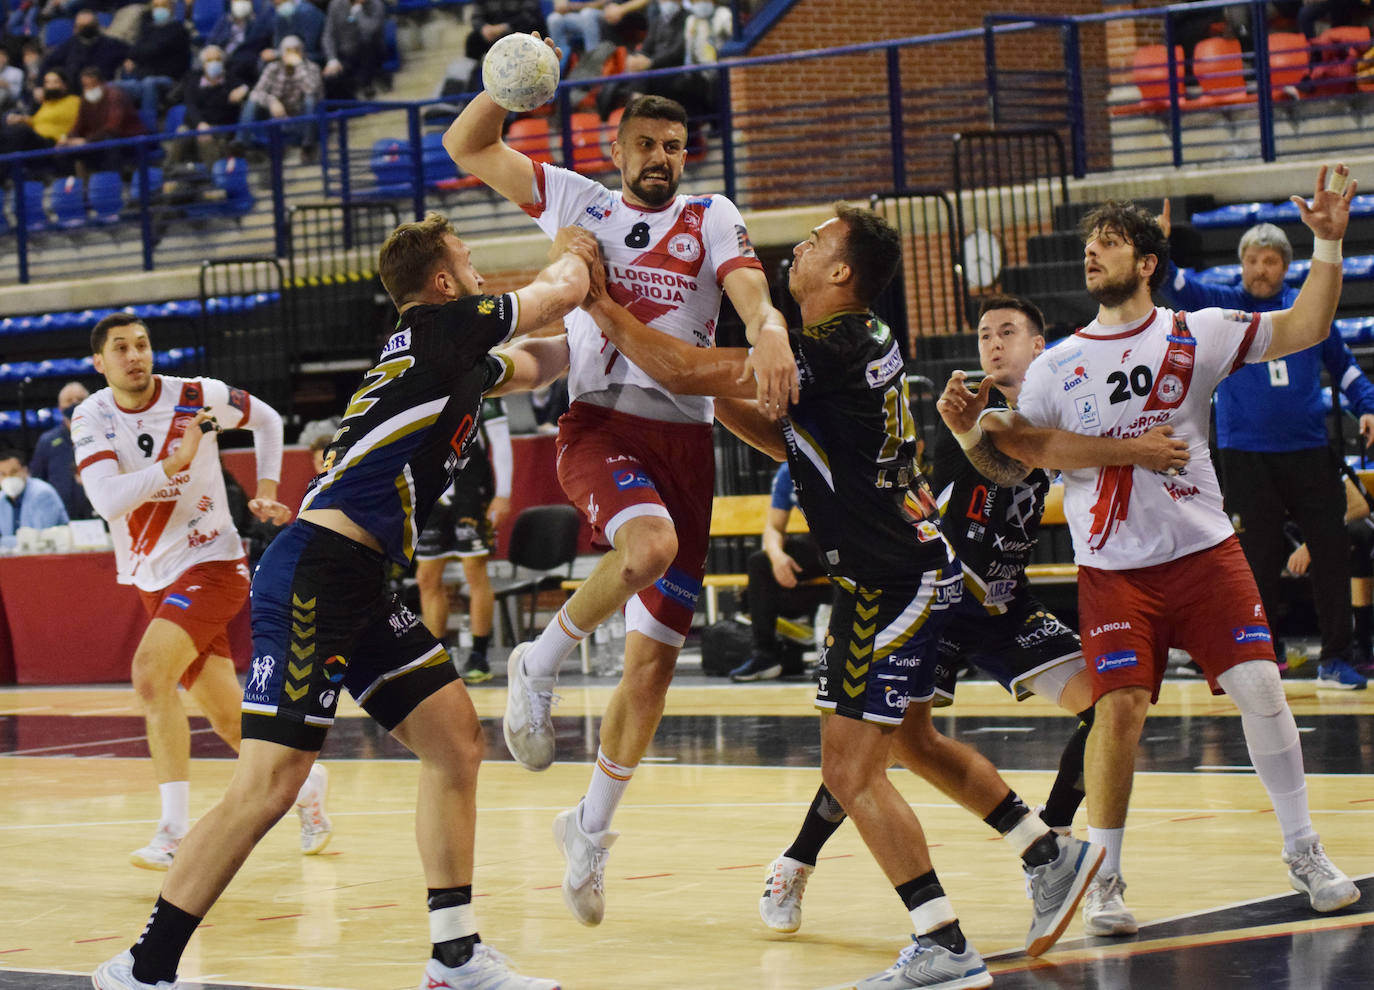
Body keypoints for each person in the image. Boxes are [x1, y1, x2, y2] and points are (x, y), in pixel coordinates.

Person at [577, 205, 1198, 984]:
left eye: (812, 244)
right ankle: (1049, 853)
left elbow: (678, 370)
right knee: (909, 741)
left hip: (886, 581)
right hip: (906, 566)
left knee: (849, 770)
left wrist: (603, 305)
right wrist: (700, 386)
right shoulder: (857, 342)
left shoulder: (831, 346)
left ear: (841, 272)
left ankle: (941, 939)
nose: (796, 251)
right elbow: (787, 437)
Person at [91, 213, 600, 990]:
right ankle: (143, 965)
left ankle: (454, 958)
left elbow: (539, 362)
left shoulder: (452, 355)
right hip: (315, 571)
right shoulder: (442, 329)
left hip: (360, 580)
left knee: (455, 740)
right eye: (468, 262)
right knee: (269, 785)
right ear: (440, 283)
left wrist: (618, 340)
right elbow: (554, 293)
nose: (478, 274)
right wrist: (589, 249)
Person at [937, 164, 1363, 937]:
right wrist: (972, 431)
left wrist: (1327, 245)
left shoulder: (1194, 330)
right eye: (1090, 243)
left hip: (1205, 555)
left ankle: (1305, 849)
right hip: (1114, 572)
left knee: (1264, 692)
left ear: (1147, 263)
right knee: (1118, 717)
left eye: (1109, 242)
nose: (1092, 254)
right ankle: (1105, 876)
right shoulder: (1057, 363)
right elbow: (1012, 462)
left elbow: (1304, 327)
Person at [446, 81, 797, 927]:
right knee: (648, 549)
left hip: (686, 445)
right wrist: (506, 88)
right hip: (601, 426)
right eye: (647, 144)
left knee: (652, 674)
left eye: (675, 146)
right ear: (618, 146)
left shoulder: (712, 214)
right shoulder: (577, 199)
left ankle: (589, 831)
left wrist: (771, 326)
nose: (662, 160)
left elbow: (747, 287)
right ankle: (538, 661)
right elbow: (468, 149)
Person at [756, 293, 1134, 939]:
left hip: (1007, 605)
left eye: (1007, 331)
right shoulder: (975, 416)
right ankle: (798, 859)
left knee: (1107, 709)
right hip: (946, 599)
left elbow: (1049, 454)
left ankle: (1054, 838)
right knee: (882, 745)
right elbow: (1007, 462)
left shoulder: (1056, 411)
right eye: (984, 333)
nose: (992, 343)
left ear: (1039, 346)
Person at [68, 313, 326, 872]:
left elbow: (270, 420)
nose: (135, 355)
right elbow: (107, 500)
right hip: (150, 576)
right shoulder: (90, 415)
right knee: (231, 722)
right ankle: (308, 788)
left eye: (142, 344)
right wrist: (174, 464)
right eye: (120, 348)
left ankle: (172, 831)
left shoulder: (197, 396)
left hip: (213, 562)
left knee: (148, 675)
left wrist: (265, 489)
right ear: (100, 362)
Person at [1158, 206, 1373, 690]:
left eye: (1270, 260)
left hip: (1310, 451)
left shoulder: (1306, 308)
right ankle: (1264, 654)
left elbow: (1346, 369)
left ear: (1285, 265)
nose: (1261, 269)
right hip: (1245, 455)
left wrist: (1367, 405)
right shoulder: (1225, 302)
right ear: (1241, 265)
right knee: (1255, 559)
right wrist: (1163, 248)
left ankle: (1335, 658)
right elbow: (1178, 288)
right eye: (1253, 260)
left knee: (1332, 551)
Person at [413, 395, 513, 684]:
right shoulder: (426, 383)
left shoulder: (483, 388)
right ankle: (439, 656)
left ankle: (479, 654)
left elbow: (502, 444)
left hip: (471, 487)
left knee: (474, 570)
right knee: (427, 577)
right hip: (431, 487)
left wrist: (503, 494)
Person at [726, 460, 827, 682]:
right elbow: (773, 528)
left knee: (842, 556)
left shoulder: (839, 459)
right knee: (759, 563)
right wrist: (777, 555)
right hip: (822, 544)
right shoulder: (789, 471)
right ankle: (766, 654)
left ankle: (836, 657)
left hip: (857, 546)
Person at [236, 34, 322, 155]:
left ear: (302, 52)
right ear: (282, 52)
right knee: (252, 102)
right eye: (288, 51)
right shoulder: (272, 68)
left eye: (296, 50)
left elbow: (311, 90)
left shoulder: (312, 68)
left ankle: (308, 145)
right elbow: (256, 92)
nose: (292, 54)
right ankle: (241, 143)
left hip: (299, 116)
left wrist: (299, 66)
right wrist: (272, 101)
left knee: (310, 100)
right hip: (275, 114)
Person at [60, 66, 147, 177]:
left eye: (93, 85)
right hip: (97, 140)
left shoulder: (115, 96)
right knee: (63, 152)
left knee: (109, 142)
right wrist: (67, 139)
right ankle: (73, 188)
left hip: (127, 139)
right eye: (86, 86)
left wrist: (86, 140)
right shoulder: (85, 99)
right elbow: (79, 126)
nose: (89, 89)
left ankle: (115, 183)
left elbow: (113, 128)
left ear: (102, 83)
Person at [27, 379, 94, 520]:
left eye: (80, 399)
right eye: (69, 400)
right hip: (60, 516)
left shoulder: (102, 433)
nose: (75, 403)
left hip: (97, 511)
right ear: (60, 407)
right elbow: (37, 480)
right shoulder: (47, 440)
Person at [118, 0, 193, 122]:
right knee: (112, 88)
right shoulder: (149, 29)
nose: (159, 9)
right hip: (143, 78)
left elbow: (154, 49)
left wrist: (136, 56)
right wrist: (132, 57)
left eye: (163, 6)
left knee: (149, 83)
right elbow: (135, 49)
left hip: (170, 80)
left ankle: (149, 130)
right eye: (156, 6)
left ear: (171, 8)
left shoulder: (178, 30)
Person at [321, 0, 387, 100]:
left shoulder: (376, 4)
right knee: (330, 77)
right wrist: (332, 59)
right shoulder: (335, 4)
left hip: (369, 53)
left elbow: (370, 32)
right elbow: (328, 35)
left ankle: (368, 86)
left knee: (368, 47)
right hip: (344, 53)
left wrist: (358, 13)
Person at [0, 448, 69, 535]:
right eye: (3, 474)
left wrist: (5, 542)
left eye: (13, 472)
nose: (8, 477)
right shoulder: (1, 499)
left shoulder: (42, 494)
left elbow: (40, 538)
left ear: (25, 470)